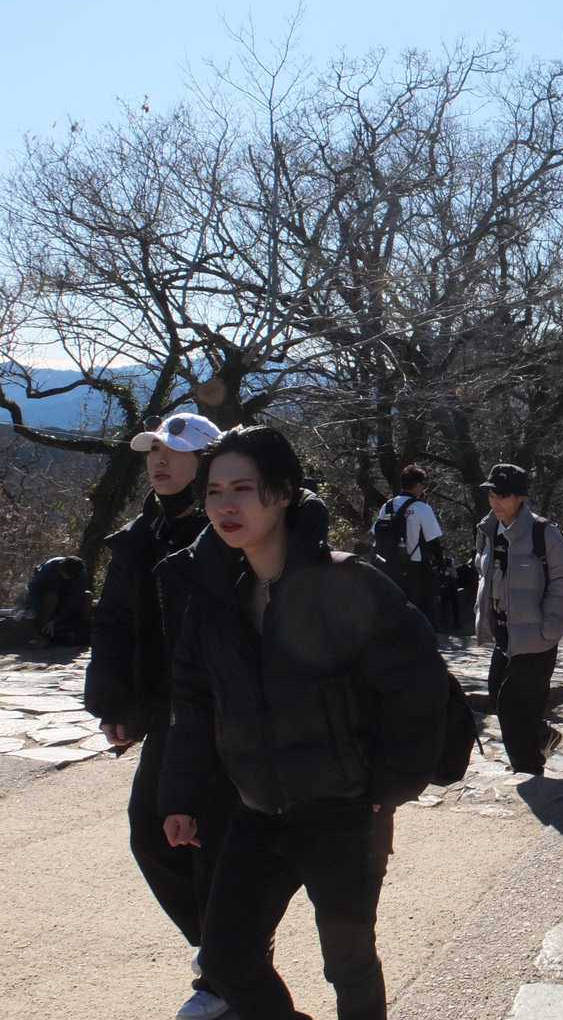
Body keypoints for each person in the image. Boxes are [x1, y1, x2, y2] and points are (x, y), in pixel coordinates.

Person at [160, 425, 449, 1020]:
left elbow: (420, 688)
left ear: (284, 493)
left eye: (243, 488)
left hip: (343, 812)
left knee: (348, 963)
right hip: (258, 810)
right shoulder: (214, 597)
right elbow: (193, 701)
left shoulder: (347, 583)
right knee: (226, 958)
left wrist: (389, 787)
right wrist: (181, 795)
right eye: (214, 492)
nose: (226, 505)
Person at [86, 410, 232, 1020]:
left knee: (213, 841)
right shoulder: (139, 535)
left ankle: (227, 971)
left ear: (207, 461)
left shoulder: (225, 531)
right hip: (168, 710)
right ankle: (225, 954)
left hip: (222, 710)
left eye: (175, 451)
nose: (159, 460)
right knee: (151, 833)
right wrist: (115, 704)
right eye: (152, 452)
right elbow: (116, 625)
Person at [473, 463, 563, 775]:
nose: (495, 501)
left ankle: (528, 769)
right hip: (504, 633)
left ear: (520, 497)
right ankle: (542, 738)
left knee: (512, 704)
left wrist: (550, 626)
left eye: (503, 495)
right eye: (491, 494)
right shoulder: (488, 529)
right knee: (498, 694)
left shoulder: (542, 533)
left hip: (536, 639)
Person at [371, 463, 445, 628]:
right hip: (415, 566)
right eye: (422, 484)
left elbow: (375, 532)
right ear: (417, 485)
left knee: (393, 608)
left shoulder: (387, 506)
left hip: (388, 566)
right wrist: (440, 564)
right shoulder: (422, 508)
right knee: (418, 609)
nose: (423, 488)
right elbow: (433, 541)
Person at [25, 555, 91, 646]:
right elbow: (34, 588)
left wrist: (56, 620)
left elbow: (75, 599)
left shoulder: (81, 575)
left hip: (66, 603)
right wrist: (33, 608)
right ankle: (41, 635)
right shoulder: (49, 567)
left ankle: (82, 631)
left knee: (88, 595)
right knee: (51, 596)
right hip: (47, 600)